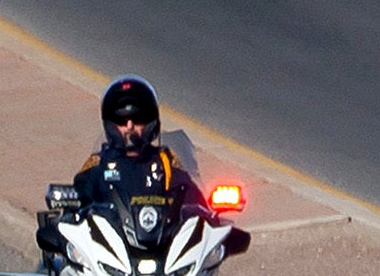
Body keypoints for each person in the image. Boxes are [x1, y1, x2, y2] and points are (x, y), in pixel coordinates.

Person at [46, 76, 239, 265]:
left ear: (151, 122)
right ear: (110, 124)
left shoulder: (167, 162)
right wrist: (69, 209)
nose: (130, 127)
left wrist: (206, 216)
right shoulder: (98, 164)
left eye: (137, 119)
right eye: (122, 121)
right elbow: (77, 203)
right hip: (113, 255)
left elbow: (191, 197)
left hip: (160, 251)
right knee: (65, 268)